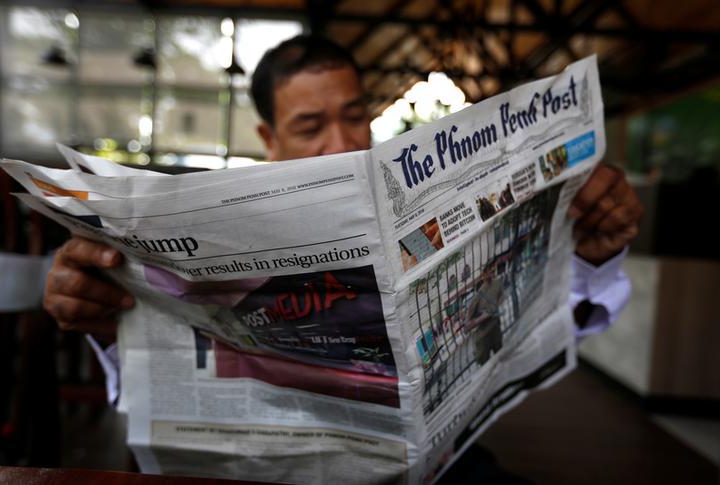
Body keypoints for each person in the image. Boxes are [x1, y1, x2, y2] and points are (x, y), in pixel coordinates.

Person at [43, 35, 643, 482]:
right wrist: (102, 310)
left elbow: (528, 322)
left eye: (354, 115)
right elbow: (155, 371)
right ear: (269, 139)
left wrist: (589, 251)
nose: (342, 143)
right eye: (310, 126)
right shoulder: (214, 234)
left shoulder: (410, 206)